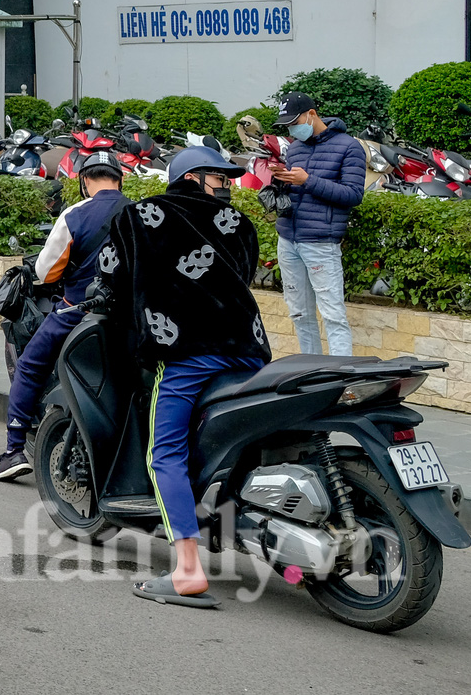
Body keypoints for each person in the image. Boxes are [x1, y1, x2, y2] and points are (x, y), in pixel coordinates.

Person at [99, 146, 270, 607]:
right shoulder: (241, 225)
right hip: (248, 352)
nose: (228, 185)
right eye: (220, 178)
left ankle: (187, 570)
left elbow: (110, 272)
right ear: (193, 177)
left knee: (165, 454)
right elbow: (244, 277)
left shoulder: (140, 215)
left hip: (186, 354)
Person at [0, 149, 129, 480]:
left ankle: (12, 452)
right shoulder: (139, 213)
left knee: (29, 366)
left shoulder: (75, 215)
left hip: (77, 313)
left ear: (84, 181)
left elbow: (46, 271)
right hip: (129, 317)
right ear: (120, 181)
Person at [270, 91, 365, 357]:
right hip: (288, 238)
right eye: (287, 125)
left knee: (333, 314)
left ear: (312, 114)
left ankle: (340, 379)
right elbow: (296, 189)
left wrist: (307, 180)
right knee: (300, 313)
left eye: (294, 122)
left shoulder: (349, 146)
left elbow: (353, 195)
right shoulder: (296, 148)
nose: (291, 129)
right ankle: (311, 372)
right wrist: (280, 181)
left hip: (321, 241)